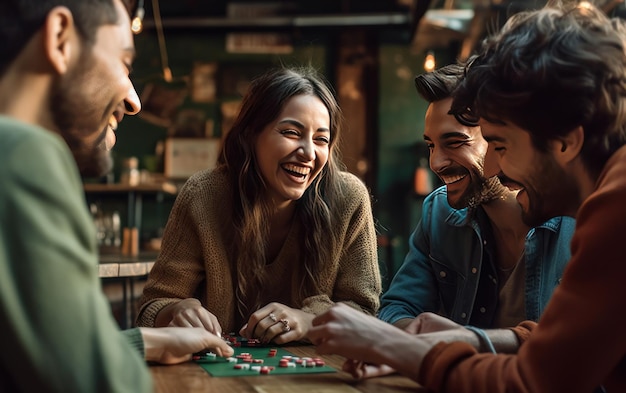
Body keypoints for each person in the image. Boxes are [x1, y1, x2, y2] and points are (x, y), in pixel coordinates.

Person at [309, 1, 626, 392]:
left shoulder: (616, 205)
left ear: (565, 141)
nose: (493, 165)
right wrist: (471, 338)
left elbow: (536, 380)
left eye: (500, 143)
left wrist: (389, 343)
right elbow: (573, 347)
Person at [0, 1, 234, 391]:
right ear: (60, 39)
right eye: (124, 62)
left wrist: (145, 340)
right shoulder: (23, 153)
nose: (134, 101)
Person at [136, 66, 382, 345]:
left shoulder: (349, 199)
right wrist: (176, 311)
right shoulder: (203, 195)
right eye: (291, 132)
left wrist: (309, 320)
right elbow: (150, 308)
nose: (308, 153)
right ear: (251, 135)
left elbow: (364, 312)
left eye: (321, 140)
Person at [378, 64, 575, 331]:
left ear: (499, 140)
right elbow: (396, 307)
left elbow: (579, 342)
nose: (435, 162)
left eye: (455, 142)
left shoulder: (577, 218)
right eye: (430, 145)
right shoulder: (438, 212)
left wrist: (457, 340)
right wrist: (417, 337)